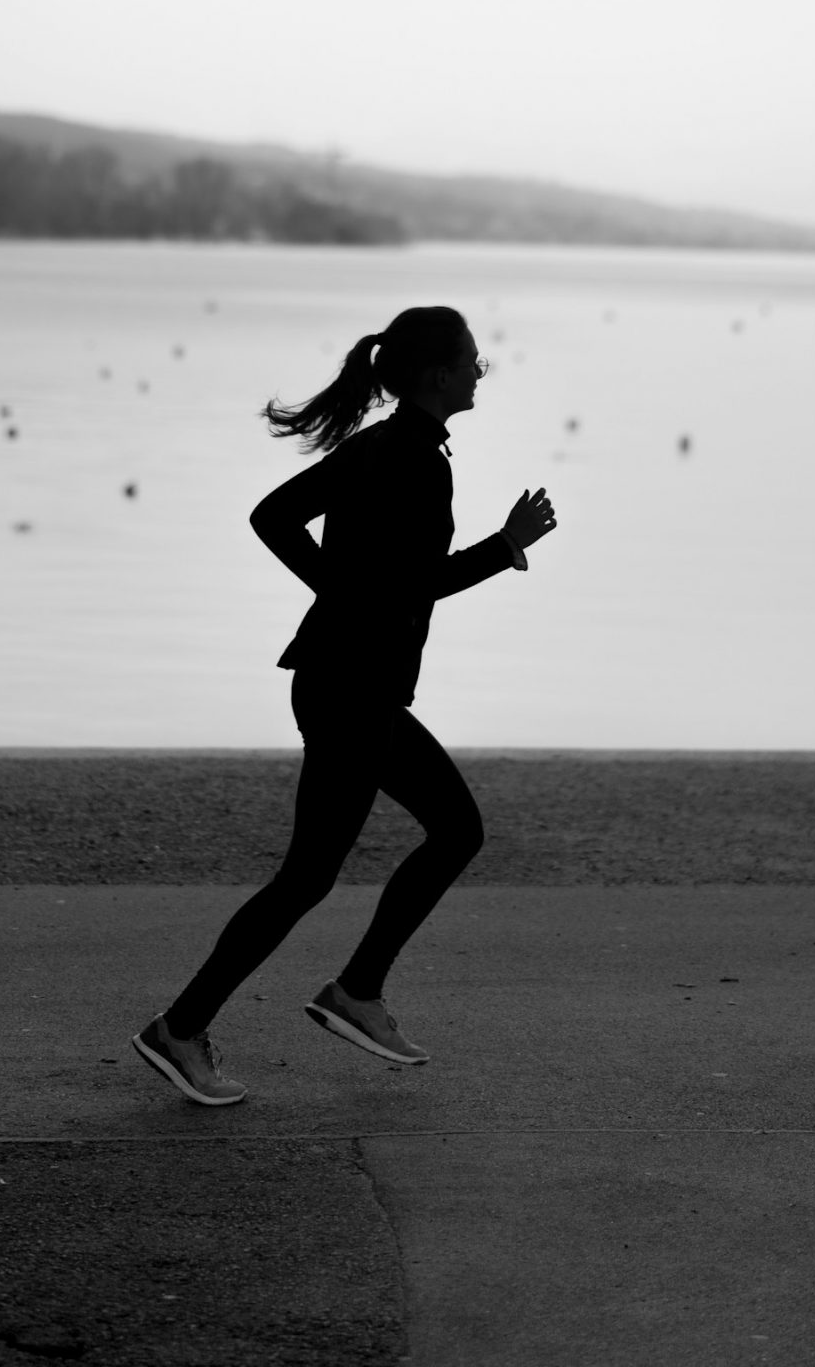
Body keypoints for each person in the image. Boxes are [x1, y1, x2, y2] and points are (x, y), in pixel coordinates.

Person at [132, 304, 559, 1106]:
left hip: (349, 684)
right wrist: (504, 550)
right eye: (472, 360)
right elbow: (409, 583)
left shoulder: (381, 446)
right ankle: (190, 1027)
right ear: (438, 373)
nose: (479, 371)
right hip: (352, 689)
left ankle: (350, 992)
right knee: (314, 875)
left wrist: (338, 591)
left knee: (433, 837)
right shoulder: (413, 460)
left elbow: (274, 519)